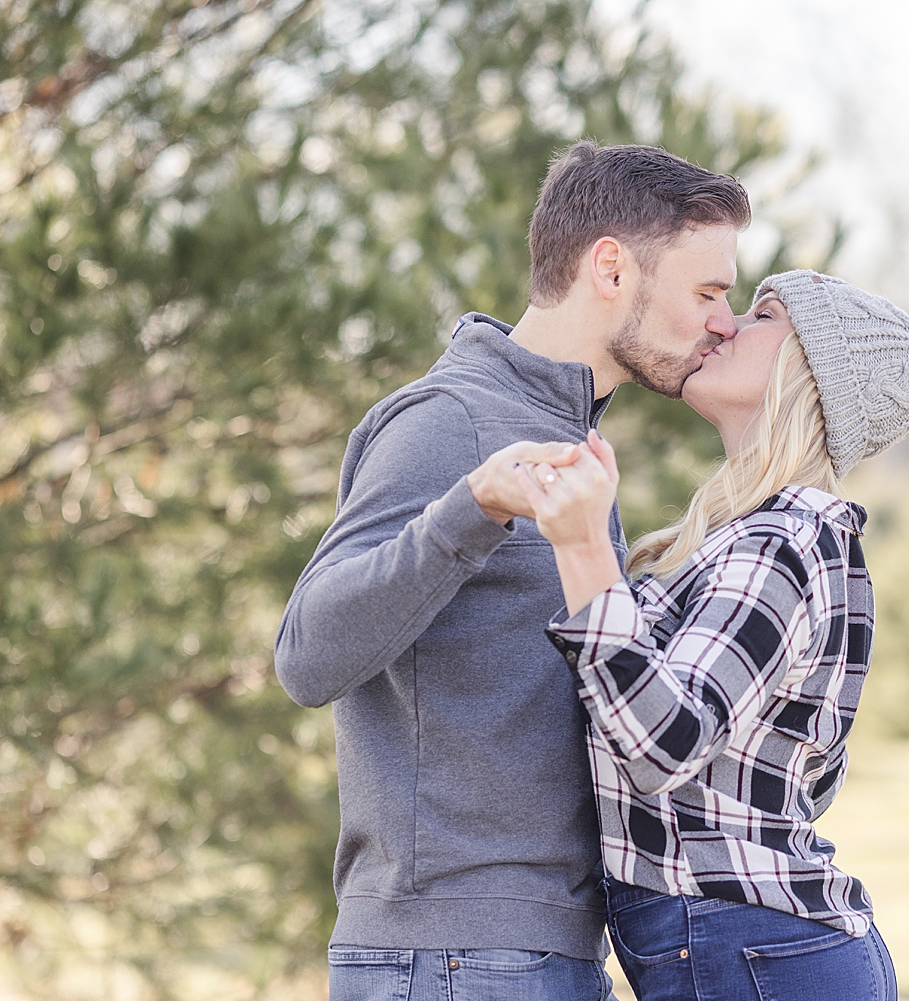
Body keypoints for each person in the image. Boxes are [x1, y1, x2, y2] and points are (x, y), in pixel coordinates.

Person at [273, 141, 751, 1001]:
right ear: (611, 267)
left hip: (535, 952)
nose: (724, 319)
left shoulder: (568, 434)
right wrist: (470, 512)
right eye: (708, 291)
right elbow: (307, 655)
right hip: (455, 955)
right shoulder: (450, 420)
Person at [515, 270, 909, 1001]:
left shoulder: (780, 542)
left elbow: (663, 745)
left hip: (750, 950)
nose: (723, 325)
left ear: (812, 370)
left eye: (762, 315)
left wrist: (584, 547)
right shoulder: (782, 535)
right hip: (758, 951)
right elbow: (812, 771)